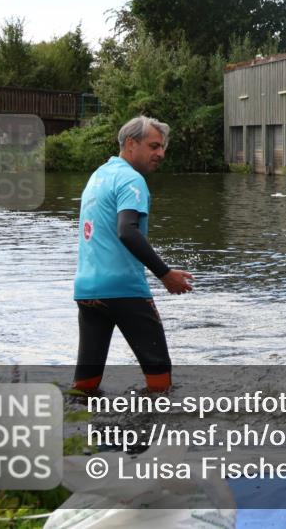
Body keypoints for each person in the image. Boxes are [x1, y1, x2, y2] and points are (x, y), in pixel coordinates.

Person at [72, 116, 194, 393]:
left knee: (85, 382)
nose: (160, 154)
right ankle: (150, 427)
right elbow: (127, 231)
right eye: (153, 146)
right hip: (124, 290)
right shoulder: (131, 179)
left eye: (162, 147)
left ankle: (78, 429)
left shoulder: (98, 175)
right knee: (160, 376)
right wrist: (165, 274)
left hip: (87, 290)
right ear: (130, 144)